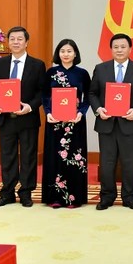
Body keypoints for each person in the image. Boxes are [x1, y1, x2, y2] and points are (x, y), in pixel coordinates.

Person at [88, 33, 133, 210]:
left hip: (130, 124)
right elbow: (92, 93)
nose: (119, 50)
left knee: (129, 162)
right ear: (111, 49)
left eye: (123, 47)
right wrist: (98, 109)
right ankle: (107, 197)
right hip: (106, 123)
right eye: (116, 47)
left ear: (130, 49)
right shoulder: (101, 69)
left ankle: (130, 197)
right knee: (107, 163)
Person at [0, 26, 46, 208]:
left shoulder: (37, 65)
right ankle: (7, 192)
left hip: (27, 118)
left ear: (26, 42)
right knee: (7, 156)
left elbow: (42, 93)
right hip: (5, 118)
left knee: (29, 156)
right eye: (12, 39)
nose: (15, 42)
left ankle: (26, 192)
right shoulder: (0, 64)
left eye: (19, 39)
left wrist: (29, 106)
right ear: (8, 42)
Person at [42, 39, 91, 208]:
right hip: (55, 122)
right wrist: (48, 113)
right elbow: (45, 96)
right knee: (54, 158)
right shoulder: (51, 72)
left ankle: (74, 198)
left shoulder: (82, 73)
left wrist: (81, 113)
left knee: (73, 158)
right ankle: (55, 198)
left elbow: (88, 97)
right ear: (58, 53)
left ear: (75, 53)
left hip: (75, 123)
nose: (66, 54)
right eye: (63, 51)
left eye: (69, 51)